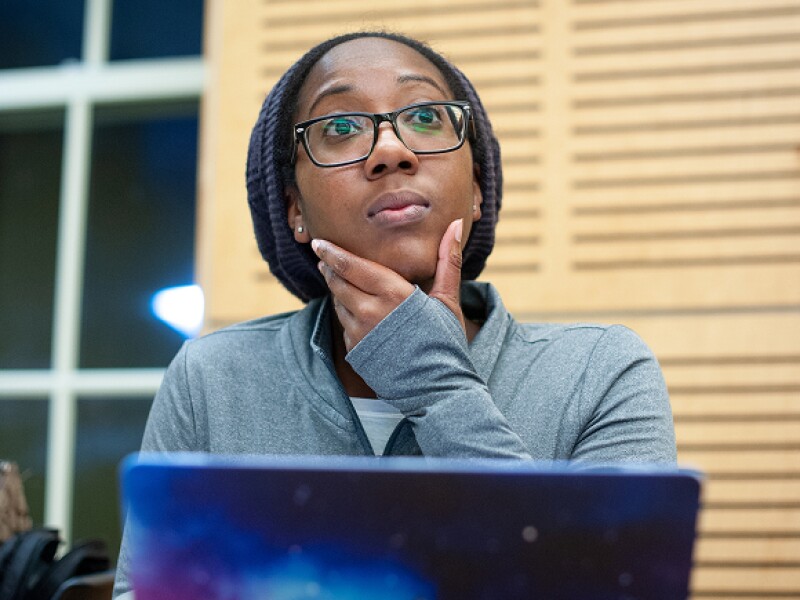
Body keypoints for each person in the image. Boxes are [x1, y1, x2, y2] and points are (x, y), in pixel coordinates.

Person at [112, 30, 676, 598]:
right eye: (339, 127)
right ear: (294, 211)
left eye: (426, 116)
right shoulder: (211, 379)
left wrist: (436, 383)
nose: (390, 150)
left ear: (478, 188)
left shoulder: (601, 373)